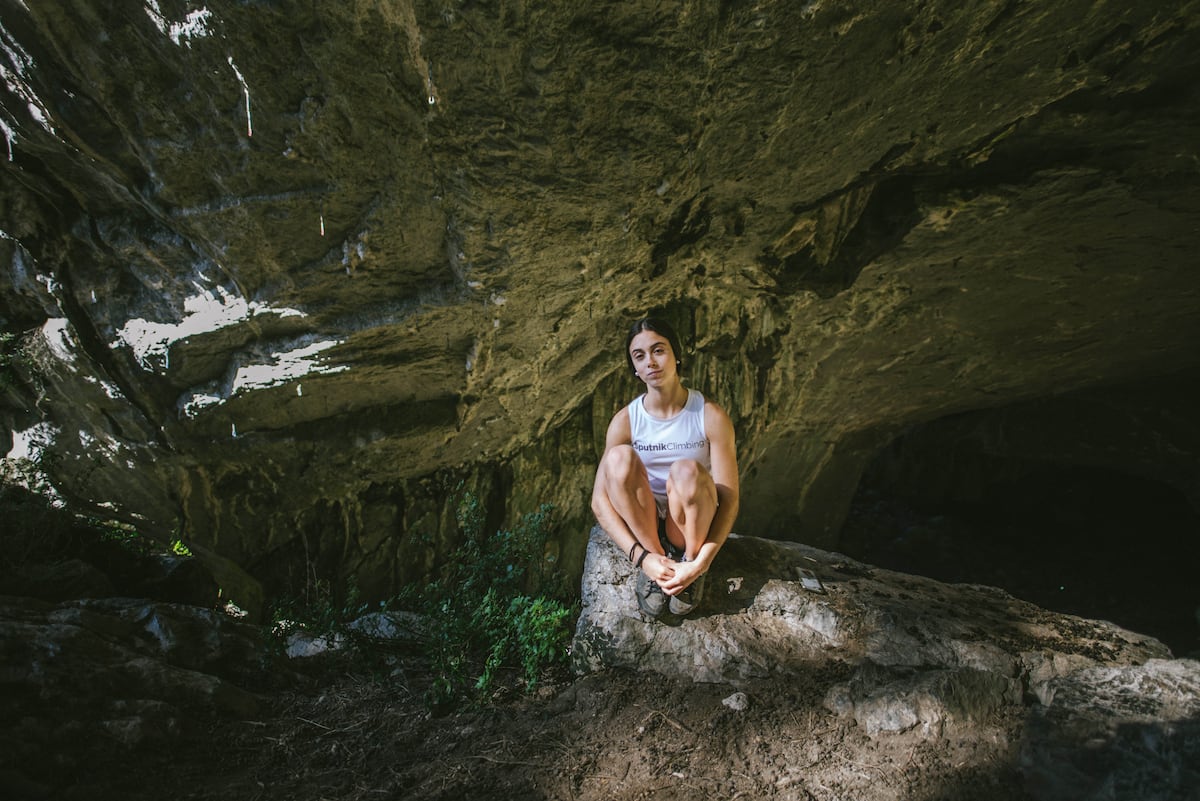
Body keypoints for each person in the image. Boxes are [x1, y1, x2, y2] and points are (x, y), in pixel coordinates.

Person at [591, 317, 739, 617]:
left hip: (688, 522)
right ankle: (659, 566)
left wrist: (701, 562)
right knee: (618, 459)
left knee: (686, 470)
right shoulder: (625, 421)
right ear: (634, 367)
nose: (651, 362)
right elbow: (599, 501)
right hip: (645, 523)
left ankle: (685, 562)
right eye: (640, 355)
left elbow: (730, 498)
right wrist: (642, 558)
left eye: (658, 350)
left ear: (676, 354)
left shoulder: (709, 415)